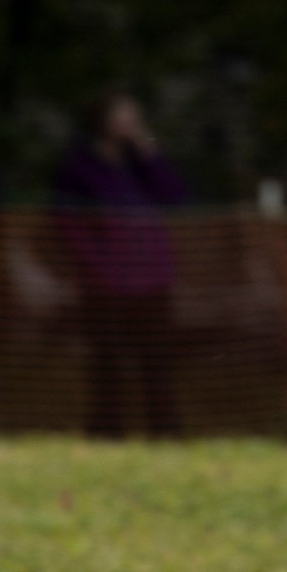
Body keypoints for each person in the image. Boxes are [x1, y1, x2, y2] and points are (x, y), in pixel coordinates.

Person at [51, 91, 191, 438]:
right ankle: (107, 435)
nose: (129, 121)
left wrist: (148, 145)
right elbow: (66, 222)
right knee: (108, 366)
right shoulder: (79, 166)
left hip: (153, 283)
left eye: (134, 115)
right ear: (102, 118)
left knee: (157, 366)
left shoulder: (141, 163)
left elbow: (177, 197)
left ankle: (165, 436)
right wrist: (98, 267)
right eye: (122, 114)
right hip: (106, 288)